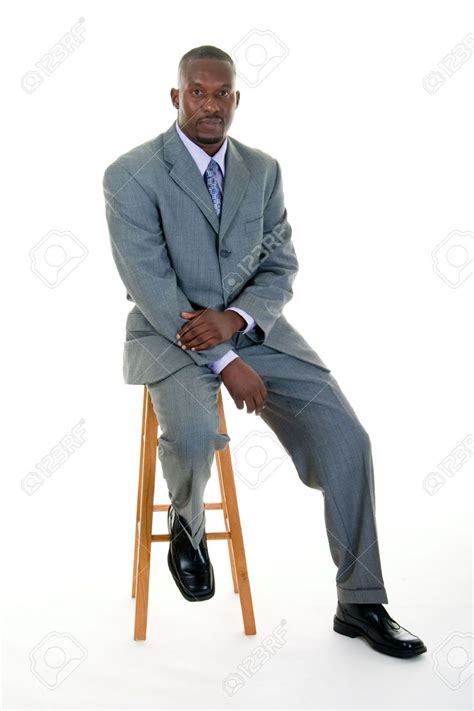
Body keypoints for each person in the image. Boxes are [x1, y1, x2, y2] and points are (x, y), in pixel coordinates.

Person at [102, 44, 427, 658]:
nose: (210, 104)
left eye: (221, 93)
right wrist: (226, 363)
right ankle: (189, 529)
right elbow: (150, 283)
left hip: (255, 329)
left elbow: (280, 263)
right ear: (176, 98)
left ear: (236, 100)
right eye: (197, 92)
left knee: (348, 438)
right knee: (195, 437)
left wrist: (238, 321)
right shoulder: (131, 174)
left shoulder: (263, 169)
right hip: (166, 332)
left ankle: (360, 599)